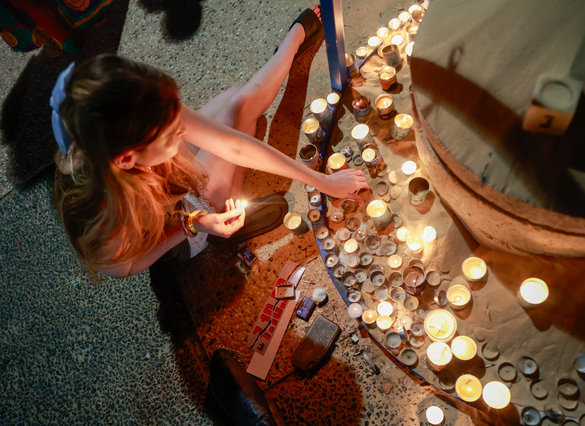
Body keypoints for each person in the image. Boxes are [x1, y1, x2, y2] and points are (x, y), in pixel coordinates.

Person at [52, 5, 368, 278]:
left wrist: (322, 181)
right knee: (239, 116)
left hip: (169, 187)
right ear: (125, 159)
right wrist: (197, 224)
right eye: (170, 131)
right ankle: (226, 231)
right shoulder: (103, 216)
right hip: (180, 226)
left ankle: (293, 42)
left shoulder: (138, 111)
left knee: (236, 104)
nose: (180, 129)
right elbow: (126, 265)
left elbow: (233, 146)